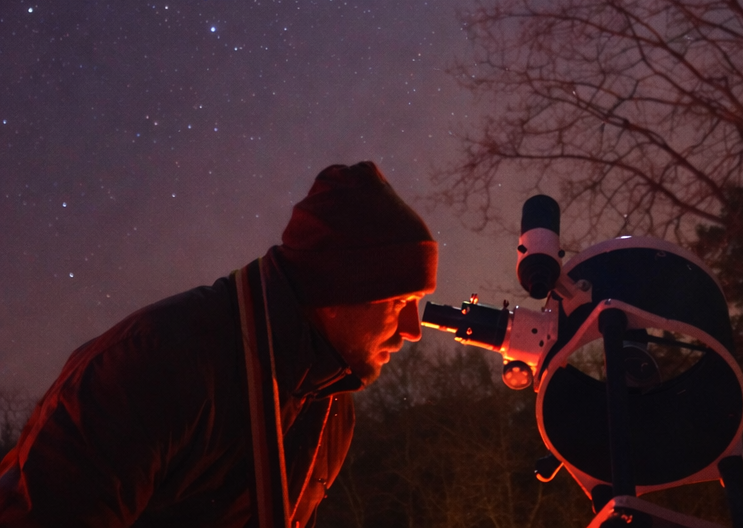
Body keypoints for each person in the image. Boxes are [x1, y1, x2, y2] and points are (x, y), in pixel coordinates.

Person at [0, 161, 437, 527]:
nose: (412, 329)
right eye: (399, 301)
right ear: (335, 292)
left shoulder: (331, 406)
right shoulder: (154, 364)